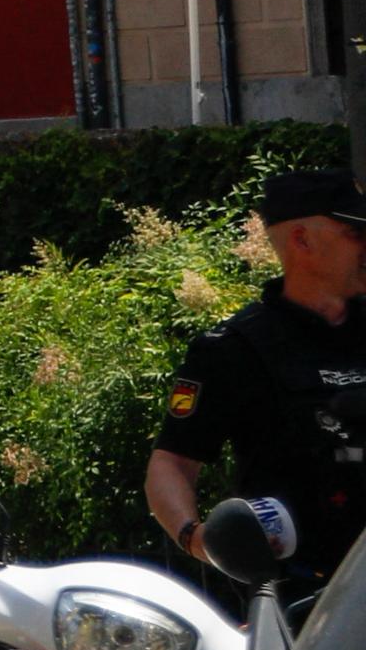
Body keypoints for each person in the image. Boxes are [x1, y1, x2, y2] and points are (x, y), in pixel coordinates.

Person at [148, 163, 366, 584]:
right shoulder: (234, 349)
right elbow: (172, 461)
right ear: (302, 240)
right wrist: (199, 538)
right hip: (304, 604)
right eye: (355, 233)